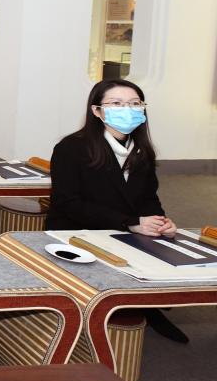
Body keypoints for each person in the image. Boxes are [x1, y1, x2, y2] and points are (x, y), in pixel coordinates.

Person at [47, 79, 186, 343]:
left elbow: (148, 197)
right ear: (97, 110)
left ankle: (144, 305)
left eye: (135, 104)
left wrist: (160, 221)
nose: (128, 109)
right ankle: (131, 305)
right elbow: (68, 204)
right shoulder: (71, 148)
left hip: (125, 228)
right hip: (77, 232)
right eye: (117, 103)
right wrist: (130, 222)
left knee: (169, 253)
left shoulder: (142, 150)